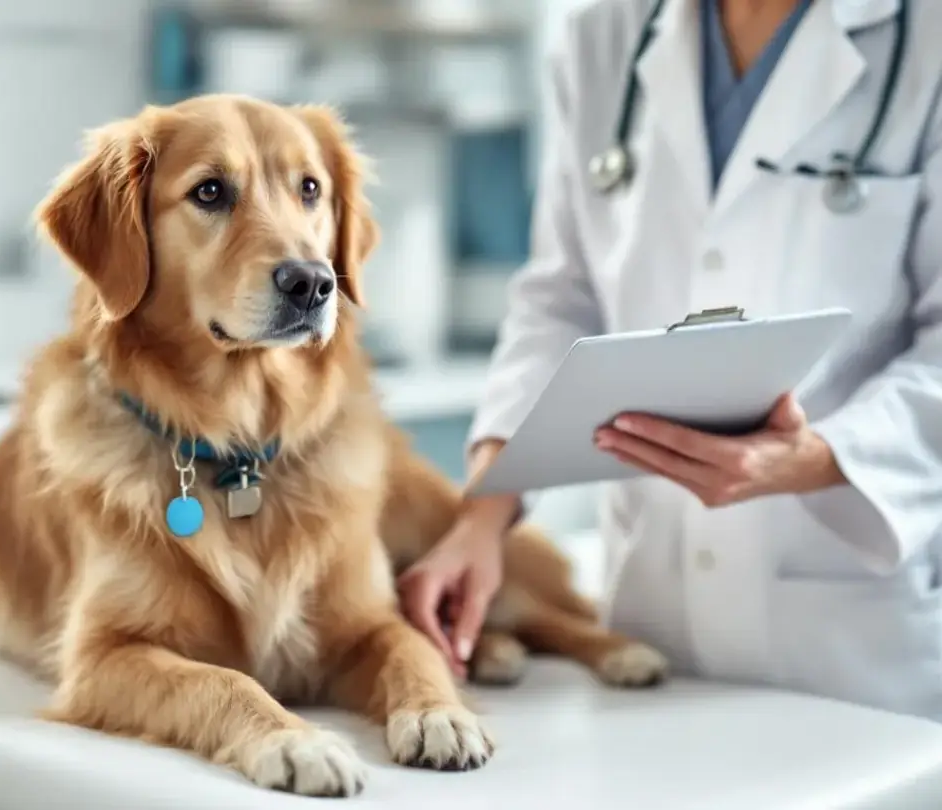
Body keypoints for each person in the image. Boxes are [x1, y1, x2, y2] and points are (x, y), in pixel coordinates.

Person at [398, 0, 942, 721]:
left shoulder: (925, 43)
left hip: (854, 649)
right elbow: (559, 300)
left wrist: (817, 460)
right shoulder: (605, 38)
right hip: (653, 627)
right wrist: (482, 519)